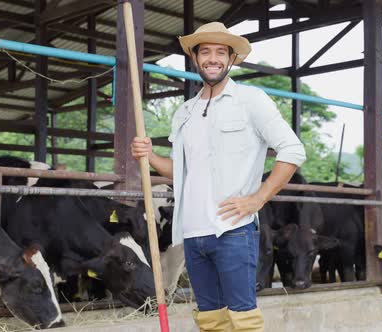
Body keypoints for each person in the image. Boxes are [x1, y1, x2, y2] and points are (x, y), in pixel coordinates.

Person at [131, 22, 306, 332]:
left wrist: (257, 199)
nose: (213, 58)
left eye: (221, 52)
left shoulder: (251, 100)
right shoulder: (184, 112)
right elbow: (182, 171)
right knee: (211, 320)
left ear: (231, 59)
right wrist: (150, 157)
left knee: (243, 320)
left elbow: (292, 150)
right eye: (206, 52)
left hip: (233, 232)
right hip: (192, 234)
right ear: (195, 58)